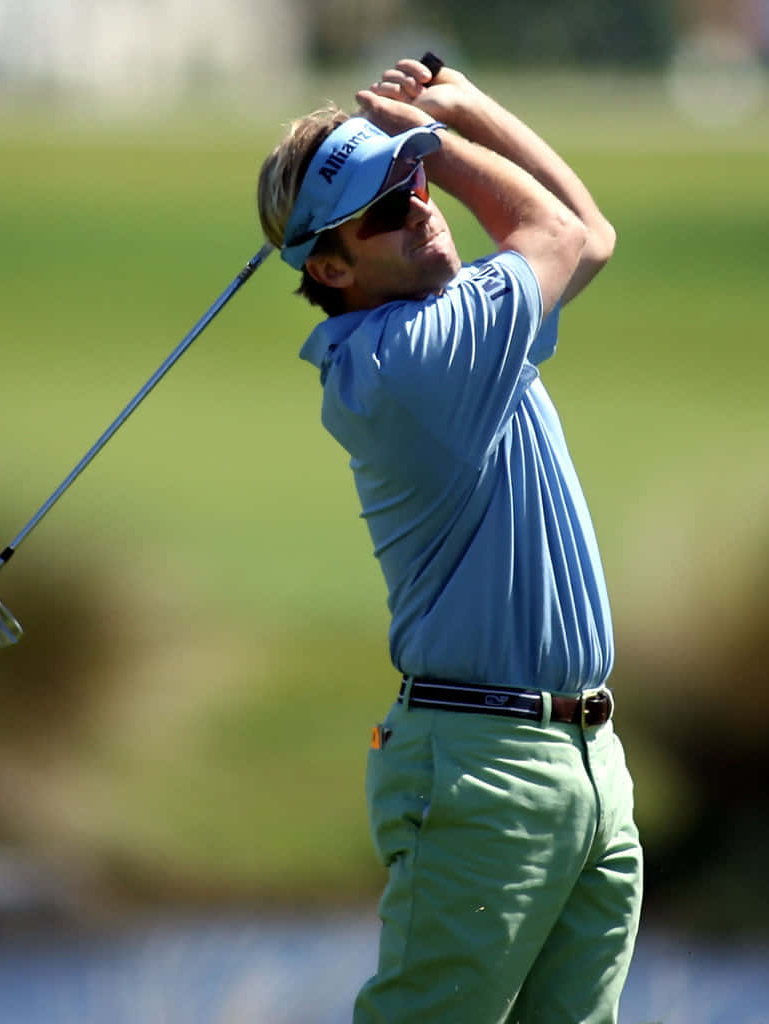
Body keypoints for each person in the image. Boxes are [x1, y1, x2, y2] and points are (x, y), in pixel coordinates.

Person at [257, 55, 642, 1024]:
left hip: (583, 761)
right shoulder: (415, 360)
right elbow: (559, 232)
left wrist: (460, 115)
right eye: (389, 206)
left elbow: (588, 237)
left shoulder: (452, 321)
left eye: (418, 180)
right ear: (330, 268)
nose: (422, 205)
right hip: (485, 767)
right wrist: (447, 132)